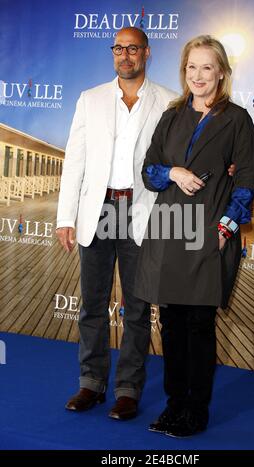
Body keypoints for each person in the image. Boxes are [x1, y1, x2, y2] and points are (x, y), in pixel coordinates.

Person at [134, 35, 254, 437]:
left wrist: (226, 228)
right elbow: (150, 170)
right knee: (170, 323)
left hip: (209, 233)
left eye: (207, 67)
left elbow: (246, 179)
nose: (198, 75)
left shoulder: (237, 118)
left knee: (198, 325)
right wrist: (173, 172)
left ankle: (196, 410)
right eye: (192, 67)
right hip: (169, 230)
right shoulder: (171, 116)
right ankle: (174, 405)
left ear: (221, 72)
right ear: (183, 71)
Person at [56, 27, 178, 420]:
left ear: (147, 52)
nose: (125, 55)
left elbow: (178, 159)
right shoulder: (89, 99)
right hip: (98, 209)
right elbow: (74, 160)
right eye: (118, 49)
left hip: (141, 212)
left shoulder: (169, 102)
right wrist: (64, 217)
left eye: (133, 49)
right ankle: (90, 384)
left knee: (138, 309)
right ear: (113, 54)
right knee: (92, 304)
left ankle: (128, 390)